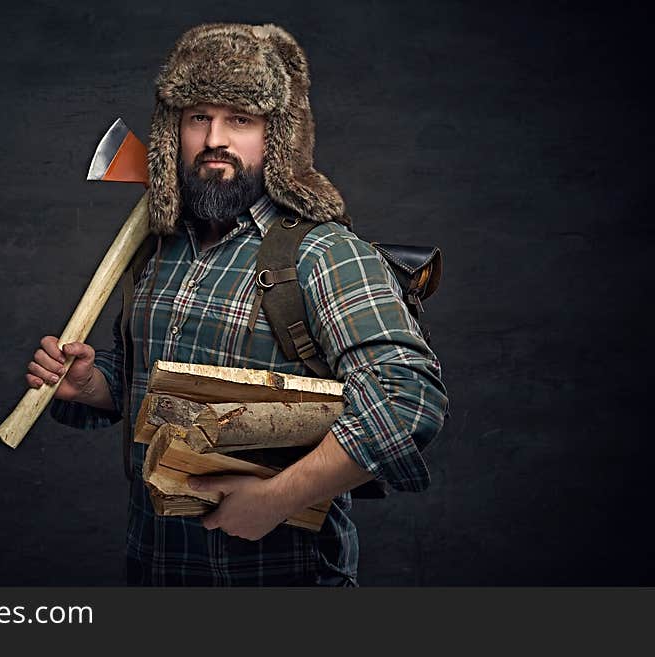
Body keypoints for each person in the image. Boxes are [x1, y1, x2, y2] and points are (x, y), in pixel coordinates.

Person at [26, 23, 449, 586]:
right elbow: (147, 381)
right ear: (172, 129)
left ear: (276, 137)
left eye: (239, 120)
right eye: (198, 117)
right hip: (154, 568)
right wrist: (92, 385)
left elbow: (408, 398)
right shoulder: (158, 247)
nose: (213, 139)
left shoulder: (323, 254)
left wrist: (277, 498)